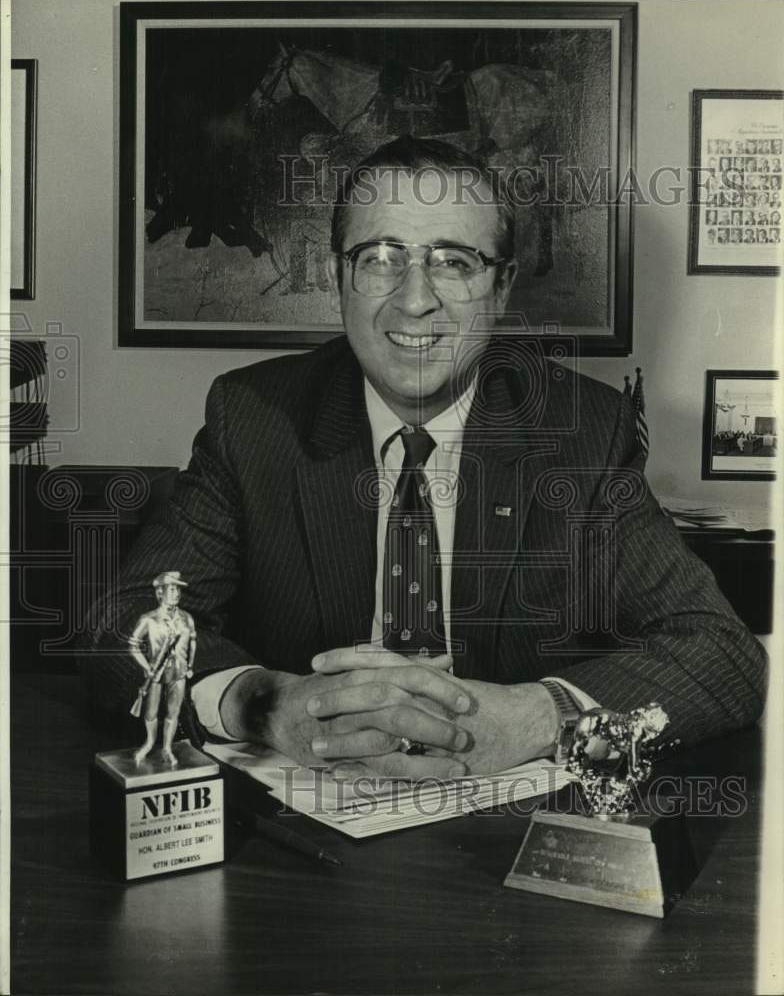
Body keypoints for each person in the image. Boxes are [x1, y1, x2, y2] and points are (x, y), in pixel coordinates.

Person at [85, 136, 766, 781]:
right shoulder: (253, 417)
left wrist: (538, 717)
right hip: (300, 831)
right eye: (381, 258)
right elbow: (123, 625)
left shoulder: (582, 429)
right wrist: (263, 703)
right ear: (338, 278)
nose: (414, 301)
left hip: (504, 833)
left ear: (500, 289)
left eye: (454, 262)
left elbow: (722, 655)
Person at [128, 571, 196, 767]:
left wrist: (190, 665)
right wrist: (147, 667)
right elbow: (133, 645)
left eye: (178, 590)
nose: (177, 593)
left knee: (173, 713)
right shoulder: (149, 619)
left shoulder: (186, 618)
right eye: (172, 589)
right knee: (150, 713)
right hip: (156, 673)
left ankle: (167, 748)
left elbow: (193, 642)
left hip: (179, 672)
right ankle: (149, 743)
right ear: (160, 593)